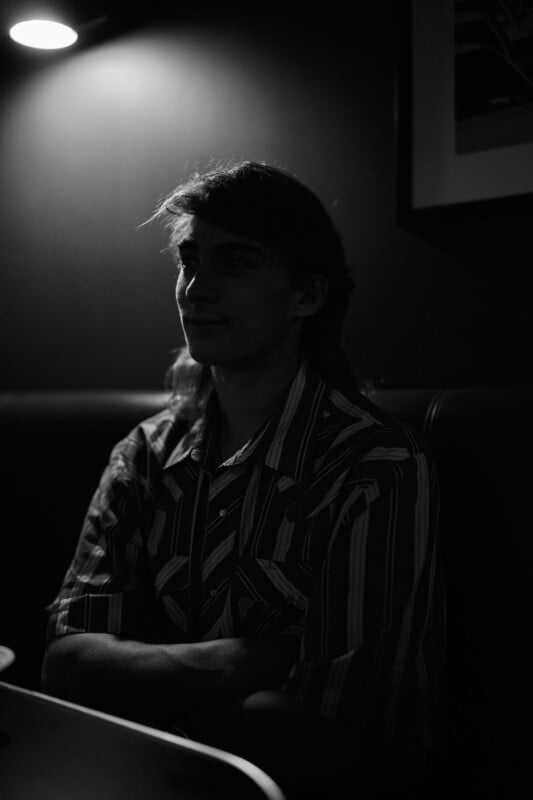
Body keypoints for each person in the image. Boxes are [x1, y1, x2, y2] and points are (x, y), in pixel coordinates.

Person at [42, 161, 445, 798]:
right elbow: (66, 663)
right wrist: (236, 660)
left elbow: (334, 730)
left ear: (306, 296)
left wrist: (143, 686)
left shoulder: (375, 466)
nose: (195, 288)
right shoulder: (145, 454)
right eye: (189, 259)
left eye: (234, 264)